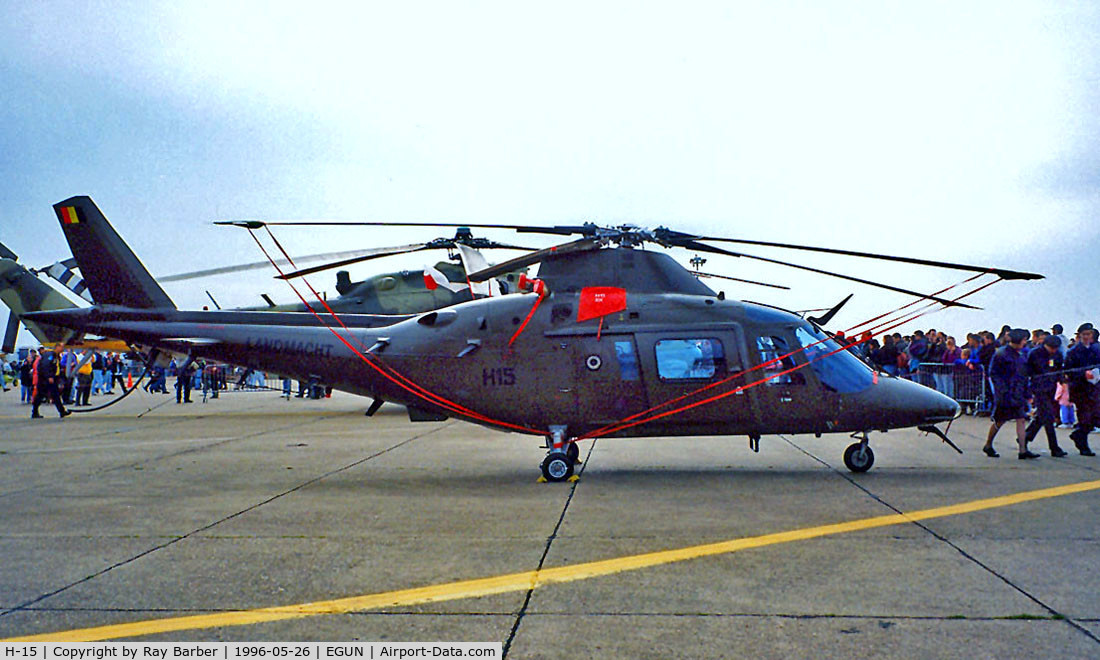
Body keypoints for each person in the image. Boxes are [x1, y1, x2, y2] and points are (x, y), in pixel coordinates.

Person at [983, 328, 1038, 459]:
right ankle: (988, 444)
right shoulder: (1002, 354)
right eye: (1024, 339)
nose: (1025, 342)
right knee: (1000, 421)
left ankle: (1023, 450)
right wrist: (1002, 391)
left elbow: (1023, 375)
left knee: (1021, 419)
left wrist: (1027, 393)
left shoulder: (1020, 355)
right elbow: (994, 374)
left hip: (1017, 392)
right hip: (1006, 394)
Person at [1023, 335, 1066, 456]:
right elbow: (1029, 370)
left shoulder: (1058, 354)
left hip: (1051, 387)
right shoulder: (1035, 353)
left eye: (1055, 348)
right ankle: (1054, 447)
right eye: (1051, 348)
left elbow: (1059, 368)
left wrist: (1061, 378)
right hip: (1039, 388)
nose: (1053, 350)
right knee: (1048, 417)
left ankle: (1026, 437)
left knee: (1042, 416)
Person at [1064, 322, 1100, 456]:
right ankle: (1083, 445)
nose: (1086, 337)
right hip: (1080, 389)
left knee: (1096, 417)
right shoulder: (1073, 351)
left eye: (1089, 334)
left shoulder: (1096, 349)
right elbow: (1068, 370)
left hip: (1094, 388)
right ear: (1080, 335)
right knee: (1085, 417)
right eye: (1084, 334)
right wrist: (1083, 374)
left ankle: (1078, 434)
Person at [31, 346, 70, 419]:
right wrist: (49, 376)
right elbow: (46, 366)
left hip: (51, 379)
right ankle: (35, 412)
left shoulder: (55, 356)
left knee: (55, 395)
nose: (62, 349)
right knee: (41, 395)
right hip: (45, 380)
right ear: (57, 347)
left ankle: (62, 411)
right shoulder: (50, 355)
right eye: (61, 347)